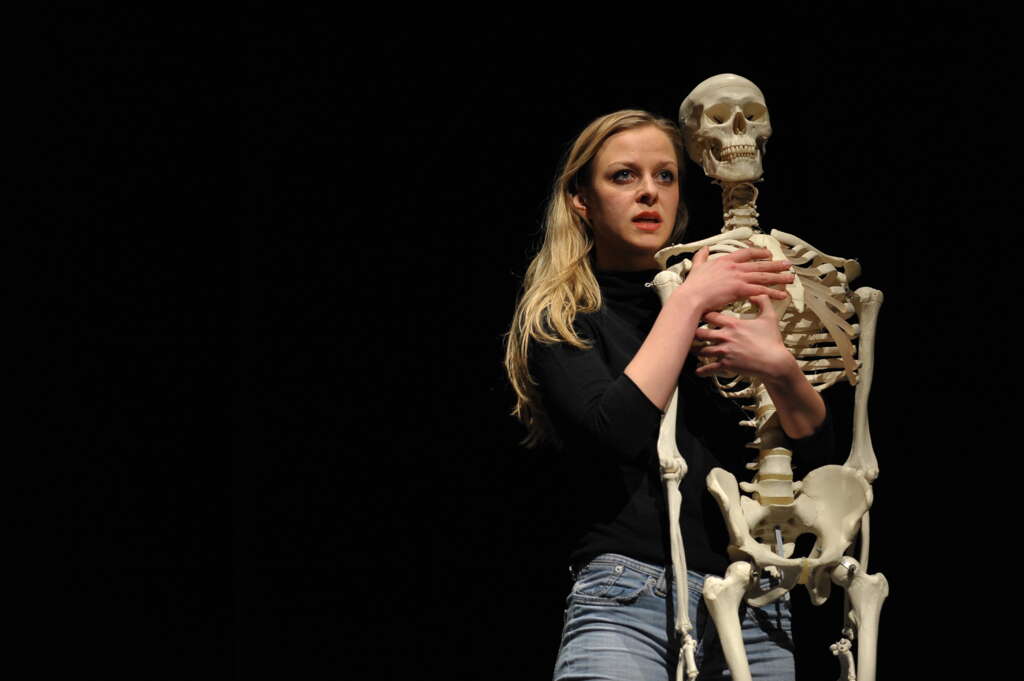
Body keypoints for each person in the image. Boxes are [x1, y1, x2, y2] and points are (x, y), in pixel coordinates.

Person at [503, 110, 837, 680]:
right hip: (628, 594)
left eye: (665, 176)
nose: (648, 193)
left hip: (754, 598)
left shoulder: (725, 304)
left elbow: (811, 445)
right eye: (624, 176)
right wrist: (686, 301)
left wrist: (781, 369)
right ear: (581, 199)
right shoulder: (561, 318)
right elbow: (616, 430)